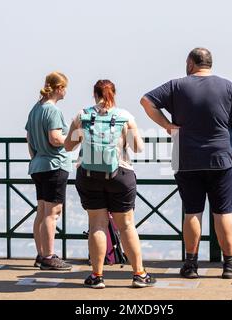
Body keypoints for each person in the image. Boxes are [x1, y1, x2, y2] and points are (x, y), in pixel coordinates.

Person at [141, 47, 232, 279]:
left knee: (192, 212)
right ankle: (230, 264)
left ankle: (191, 265)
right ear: (209, 63)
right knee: (223, 213)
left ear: (190, 63)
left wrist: (167, 126)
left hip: (186, 159)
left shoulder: (176, 85)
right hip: (220, 159)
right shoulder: (227, 86)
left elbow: (146, 101)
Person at [64, 79, 156, 289]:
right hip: (120, 175)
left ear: (94, 94)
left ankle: (97, 276)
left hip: (88, 175)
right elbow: (138, 147)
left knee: (97, 224)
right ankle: (139, 274)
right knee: (126, 225)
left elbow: (69, 145)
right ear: (114, 93)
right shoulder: (125, 117)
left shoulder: (82, 116)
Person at [25, 71, 72, 271]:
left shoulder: (35, 109)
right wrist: (72, 139)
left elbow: (29, 139)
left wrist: (36, 156)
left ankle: (41, 253)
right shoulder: (53, 111)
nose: (66, 92)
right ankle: (49, 256)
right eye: (65, 88)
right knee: (52, 213)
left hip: (38, 164)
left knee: (42, 211)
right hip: (54, 165)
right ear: (59, 88)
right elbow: (55, 138)